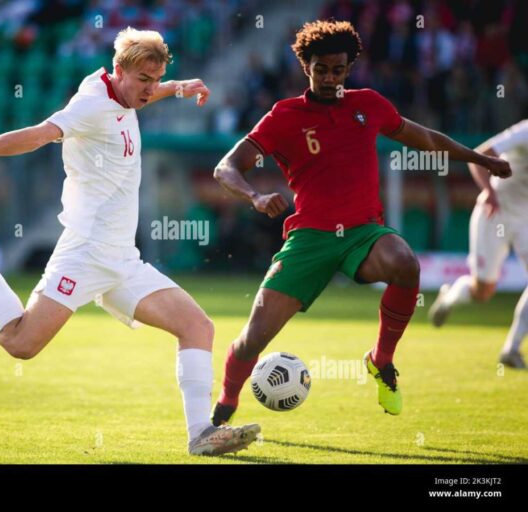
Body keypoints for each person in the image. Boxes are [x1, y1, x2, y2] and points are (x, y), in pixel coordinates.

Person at [0, 27, 260, 455]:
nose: (149, 89)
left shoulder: (127, 90)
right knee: (19, 344)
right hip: (84, 251)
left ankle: (200, 435)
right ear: (119, 70)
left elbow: (145, 92)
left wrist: (175, 88)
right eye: (143, 80)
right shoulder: (89, 104)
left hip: (122, 259)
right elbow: (41, 133)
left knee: (197, 326)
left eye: (155, 80)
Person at [211, 20, 511, 425]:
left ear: (349, 67)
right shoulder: (284, 116)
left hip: (364, 232)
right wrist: (255, 195)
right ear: (306, 66)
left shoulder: (368, 104)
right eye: (321, 69)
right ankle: (226, 405)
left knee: (405, 263)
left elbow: (428, 140)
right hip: (310, 238)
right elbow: (226, 167)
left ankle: (380, 360)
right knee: (252, 340)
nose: (330, 78)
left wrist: (483, 159)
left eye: (338, 69)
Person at [429, 119, 528, 369]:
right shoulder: (524, 132)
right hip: (494, 213)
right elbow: (480, 157)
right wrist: (491, 193)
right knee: (483, 291)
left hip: (525, 219)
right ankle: (449, 296)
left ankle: (511, 349)